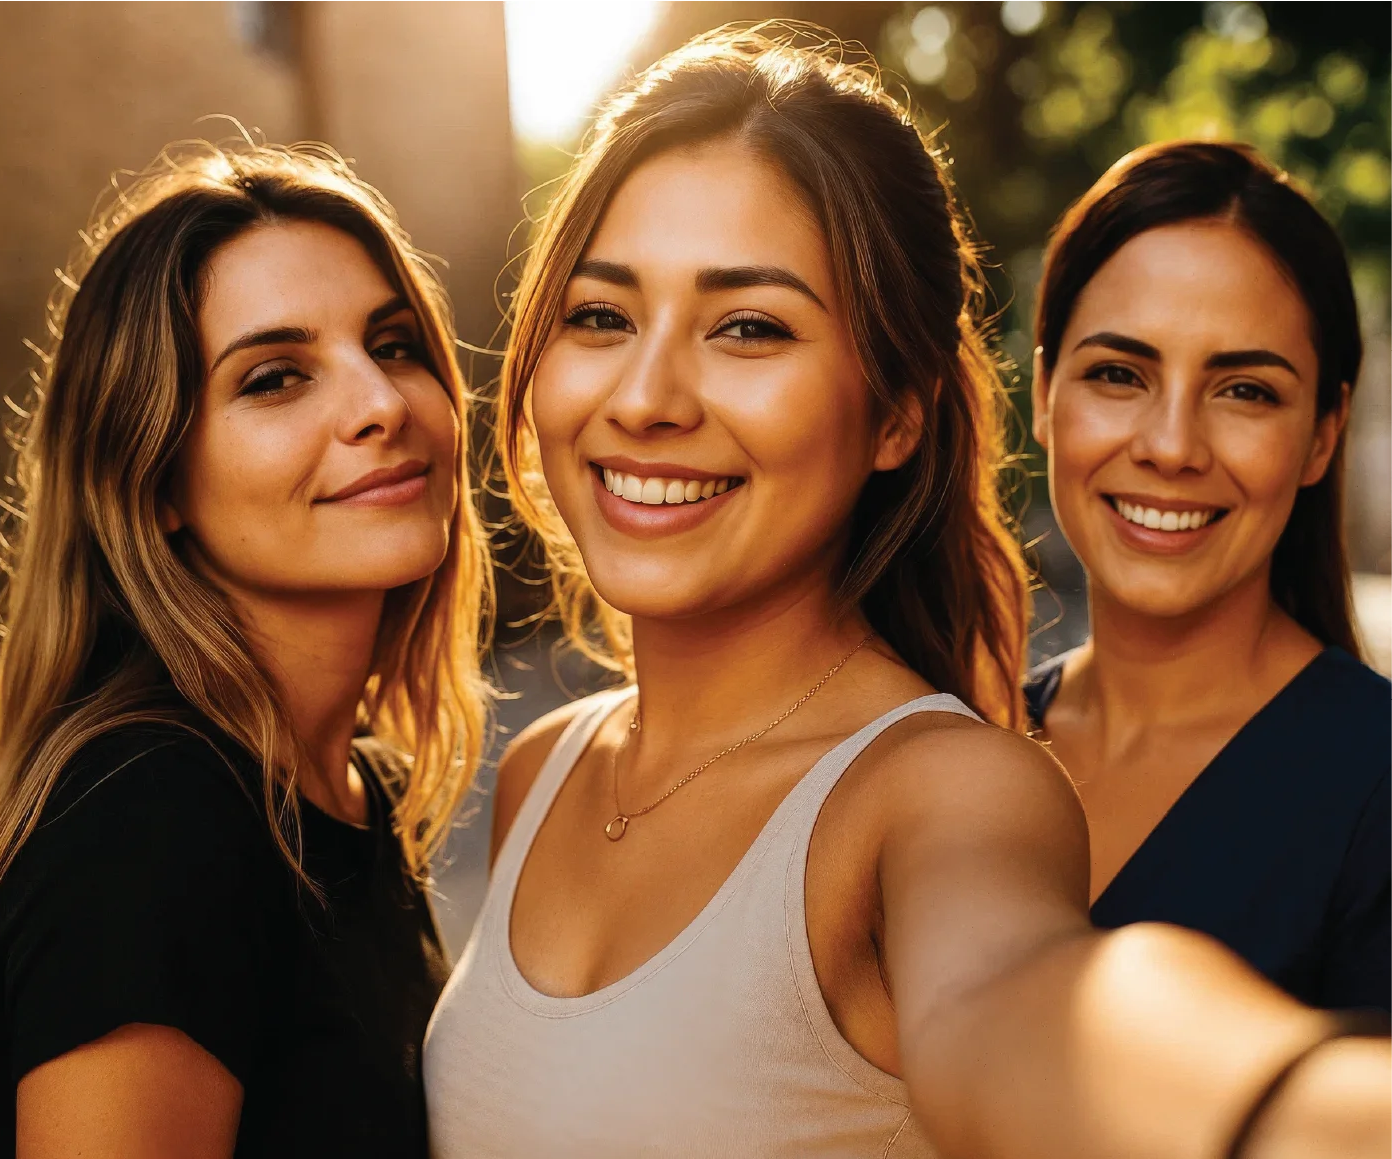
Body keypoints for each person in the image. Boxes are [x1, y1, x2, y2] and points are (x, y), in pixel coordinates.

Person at [424, 25, 1392, 1159]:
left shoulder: (949, 790)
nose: (645, 395)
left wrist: (1286, 1109)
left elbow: (1022, 999)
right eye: (601, 314)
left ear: (897, 414)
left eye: (750, 326)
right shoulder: (546, 765)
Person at [0, 140, 490, 1159]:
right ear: (154, 481)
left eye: (392, 345)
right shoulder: (153, 823)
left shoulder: (345, 791)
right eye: (276, 378)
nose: (382, 403)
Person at [1024, 140, 1392, 1011]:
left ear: (1323, 433)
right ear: (1043, 393)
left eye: (1244, 391)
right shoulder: (961, 742)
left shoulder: (1376, 795)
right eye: (1118, 374)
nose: (1171, 446)